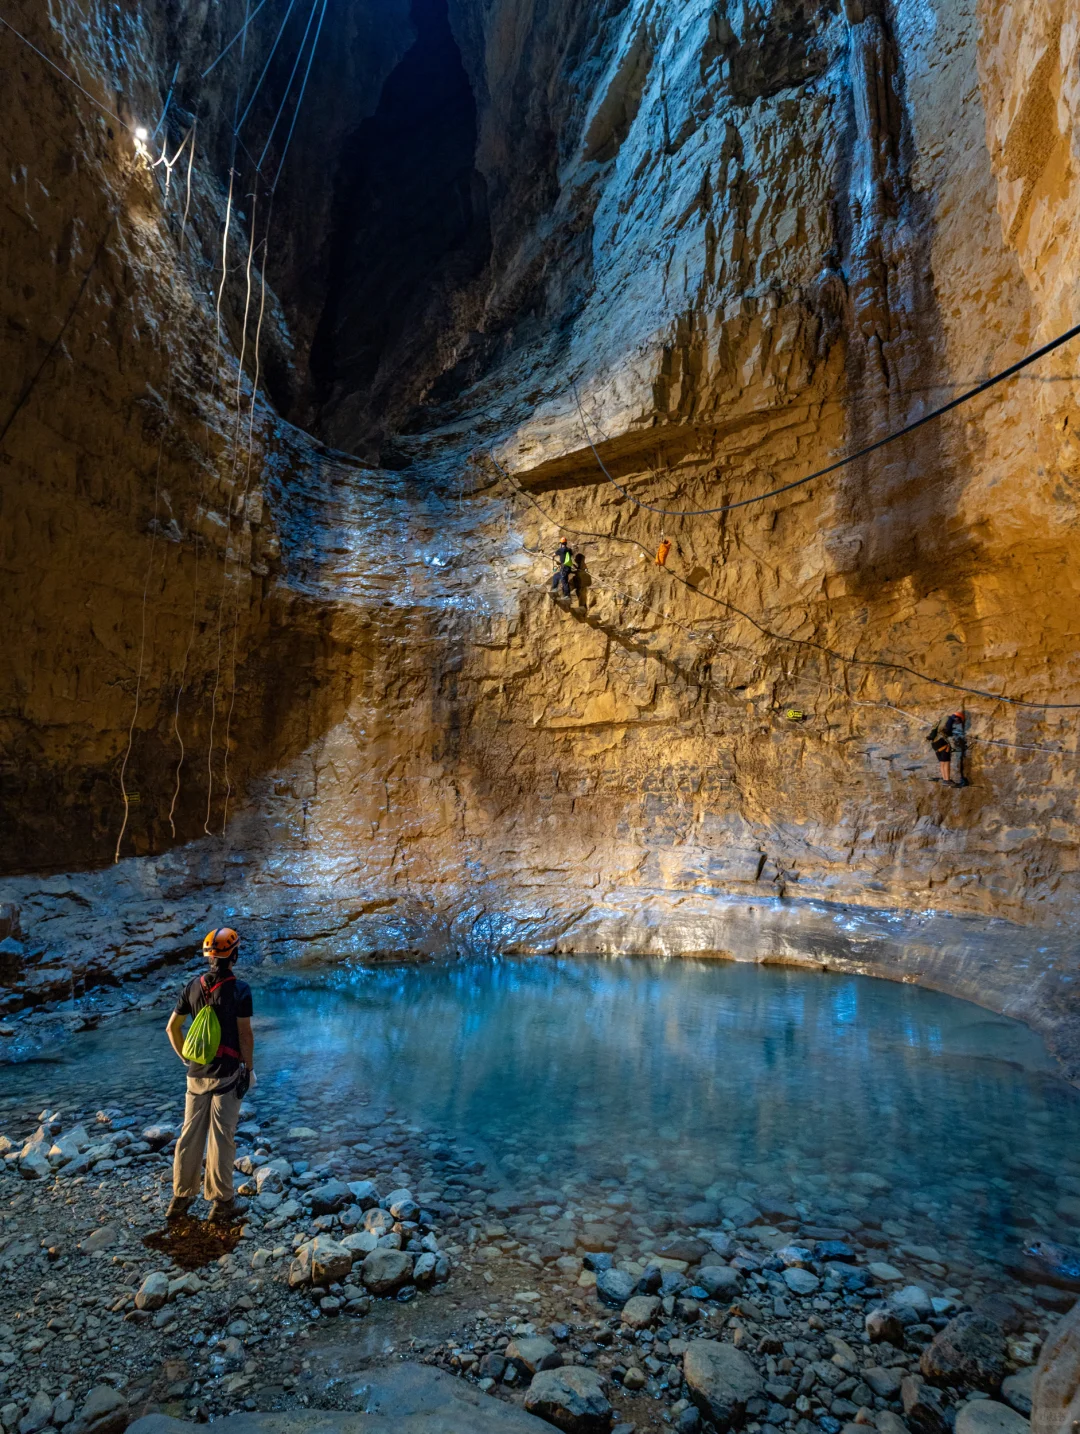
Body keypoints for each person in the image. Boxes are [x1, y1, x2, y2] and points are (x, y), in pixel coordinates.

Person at [165, 927, 254, 1225]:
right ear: (234, 955)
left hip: (195, 1075)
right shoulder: (240, 990)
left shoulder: (192, 986)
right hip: (226, 1077)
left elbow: (172, 1028)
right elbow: (245, 1035)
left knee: (189, 1136)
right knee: (221, 1138)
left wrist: (184, 1059)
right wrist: (249, 1068)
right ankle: (222, 1202)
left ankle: (180, 1197)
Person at [927, 709, 967, 787]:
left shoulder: (943, 719)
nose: (957, 723)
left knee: (942, 762)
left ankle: (945, 779)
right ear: (957, 718)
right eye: (958, 722)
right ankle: (947, 780)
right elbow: (947, 731)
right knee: (946, 761)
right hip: (941, 742)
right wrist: (952, 733)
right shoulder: (950, 720)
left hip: (935, 743)